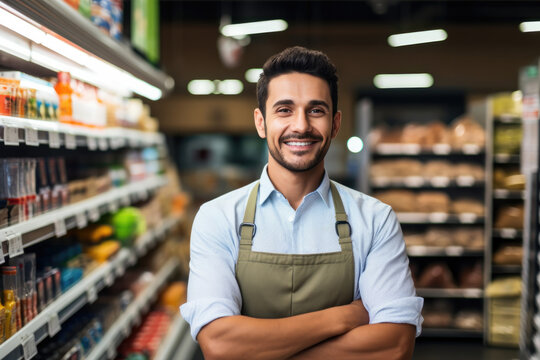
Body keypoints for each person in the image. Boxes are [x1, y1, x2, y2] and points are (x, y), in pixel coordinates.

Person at [180, 46, 423, 360]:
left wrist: (260, 351)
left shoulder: (375, 219)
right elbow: (220, 346)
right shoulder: (218, 217)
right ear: (261, 122)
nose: (301, 126)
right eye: (284, 109)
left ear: (335, 124)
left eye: (316, 110)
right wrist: (344, 317)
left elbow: (395, 345)